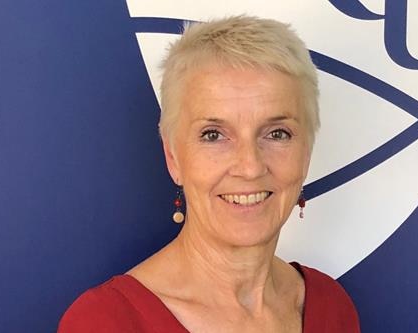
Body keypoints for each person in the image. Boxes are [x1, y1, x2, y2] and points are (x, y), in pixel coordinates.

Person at [58, 15, 360, 333]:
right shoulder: (105, 322)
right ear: (173, 157)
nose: (250, 166)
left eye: (277, 133)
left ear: (306, 153)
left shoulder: (331, 307)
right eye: (214, 135)